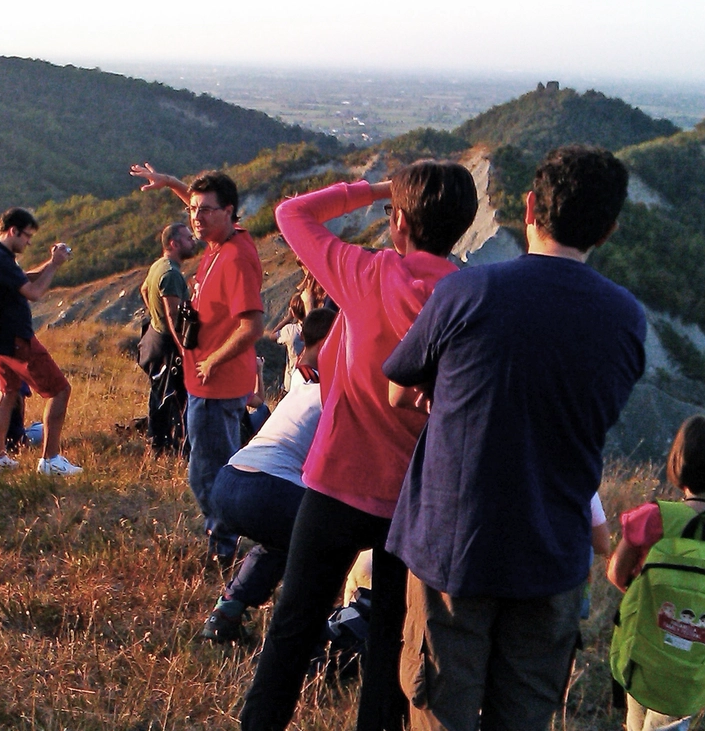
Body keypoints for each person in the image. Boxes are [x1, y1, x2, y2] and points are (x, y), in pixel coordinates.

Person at [383, 145, 646, 731]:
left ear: (528, 206)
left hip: (455, 548)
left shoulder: (466, 293)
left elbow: (399, 389)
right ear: (609, 228)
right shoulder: (626, 320)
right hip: (551, 555)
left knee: (440, 712)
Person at [241, 160, 478, 731]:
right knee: (393, 644)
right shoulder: (469, 297)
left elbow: (290, 213)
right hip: (414, 500)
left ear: (397, 222)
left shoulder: (365, 272)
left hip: (336, 481)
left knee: (294, 627)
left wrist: (374, 188)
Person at [130, 163, 264, 569]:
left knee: (208, 476)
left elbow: (253, 325)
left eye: (206, 211)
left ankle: (225, 547)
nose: (196, 218)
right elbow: (203, 203)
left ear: (230, 211)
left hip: (215, 384)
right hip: (207, 381)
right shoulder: (223, 240)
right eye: (192, 211)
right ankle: (229, 536)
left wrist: (212, 360)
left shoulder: (237, 257)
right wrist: (172, 184)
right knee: (215, 468)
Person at [607, 415, 705, 731]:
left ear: (679, 461)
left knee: (636, 717)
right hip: (699, 655)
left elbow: (616, 573)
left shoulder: (652, 517)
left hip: (642, 646)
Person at [202, 307, 336, 642]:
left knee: (279, 542)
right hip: (268, 490)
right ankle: (308, 636)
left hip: (229, 481)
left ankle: (225, 612)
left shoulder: (301, 384)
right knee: (323, 541)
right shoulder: (335, 394)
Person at [0, 207, 81, 476]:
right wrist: (56, 265)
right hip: (17, 338)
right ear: (13, 231)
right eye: (26, 236)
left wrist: (49, 262)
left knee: (7, 392)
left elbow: (22, 279)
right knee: (59, 391)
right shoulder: (1, 259)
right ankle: (50, 459)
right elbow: (34, 292)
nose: (28, 242)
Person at [138, 221, 197, 455]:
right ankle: (169, 447)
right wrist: (183, 346)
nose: (192, 241)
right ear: (174, 243)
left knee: (159, 394)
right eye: (187, 238)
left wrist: (155, 315)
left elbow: (144, 290)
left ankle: (158, 444)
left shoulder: (158, 266)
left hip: (154, 337)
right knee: (174, 397)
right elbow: (173, 315)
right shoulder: (171, 273)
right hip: (166, 344)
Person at [271, 293, 307, 394]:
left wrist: (288, 318)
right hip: (310, 380)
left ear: (293, 312)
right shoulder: (316, 329)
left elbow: (272, 335)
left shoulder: (289, 330)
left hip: (291, 382)